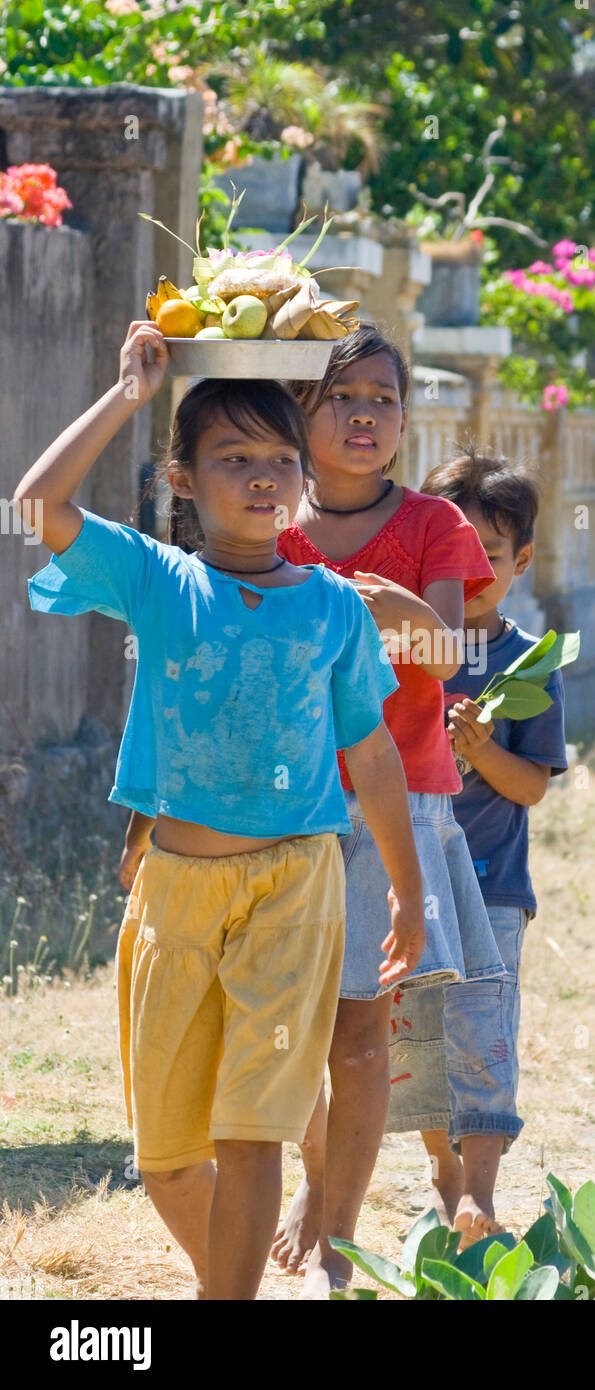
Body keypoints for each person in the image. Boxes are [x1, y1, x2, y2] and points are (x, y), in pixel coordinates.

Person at [16, 321, 424, 1300]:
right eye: (232, 457)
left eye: (279, 459)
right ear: (184, 476)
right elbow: (36, 502)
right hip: (175, 894)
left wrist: (408, 896)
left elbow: (369, 751)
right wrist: (127, 392)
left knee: (253, 1132)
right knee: (166, 1159)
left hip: (294, 884)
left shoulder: (330, 607)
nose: (260, 477)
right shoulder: (159, 581)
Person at [269, 326, 505, 1296]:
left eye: (382, 398)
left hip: (390, 807)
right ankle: (310, 1183)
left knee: (360, 1033)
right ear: (300, 412)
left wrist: (389, 609)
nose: (364, 415)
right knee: (290, 1031)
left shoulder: (434, 528)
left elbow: (448, 655)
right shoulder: (265, 519)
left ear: (405, 420)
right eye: (341, 396)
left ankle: (337, 1238)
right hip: (274, 804)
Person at [386, 450, 569, 1245]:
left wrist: (482, 750)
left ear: (520, 561)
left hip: (492, 887)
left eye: (486, 557)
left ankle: (482, 1194)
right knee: (417, 1032)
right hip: (406, 880)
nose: (466, 573)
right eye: (448, 556)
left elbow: (531, 787)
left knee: (483, 1031)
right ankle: (444, 1171)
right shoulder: (400, 650)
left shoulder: (527, 663)